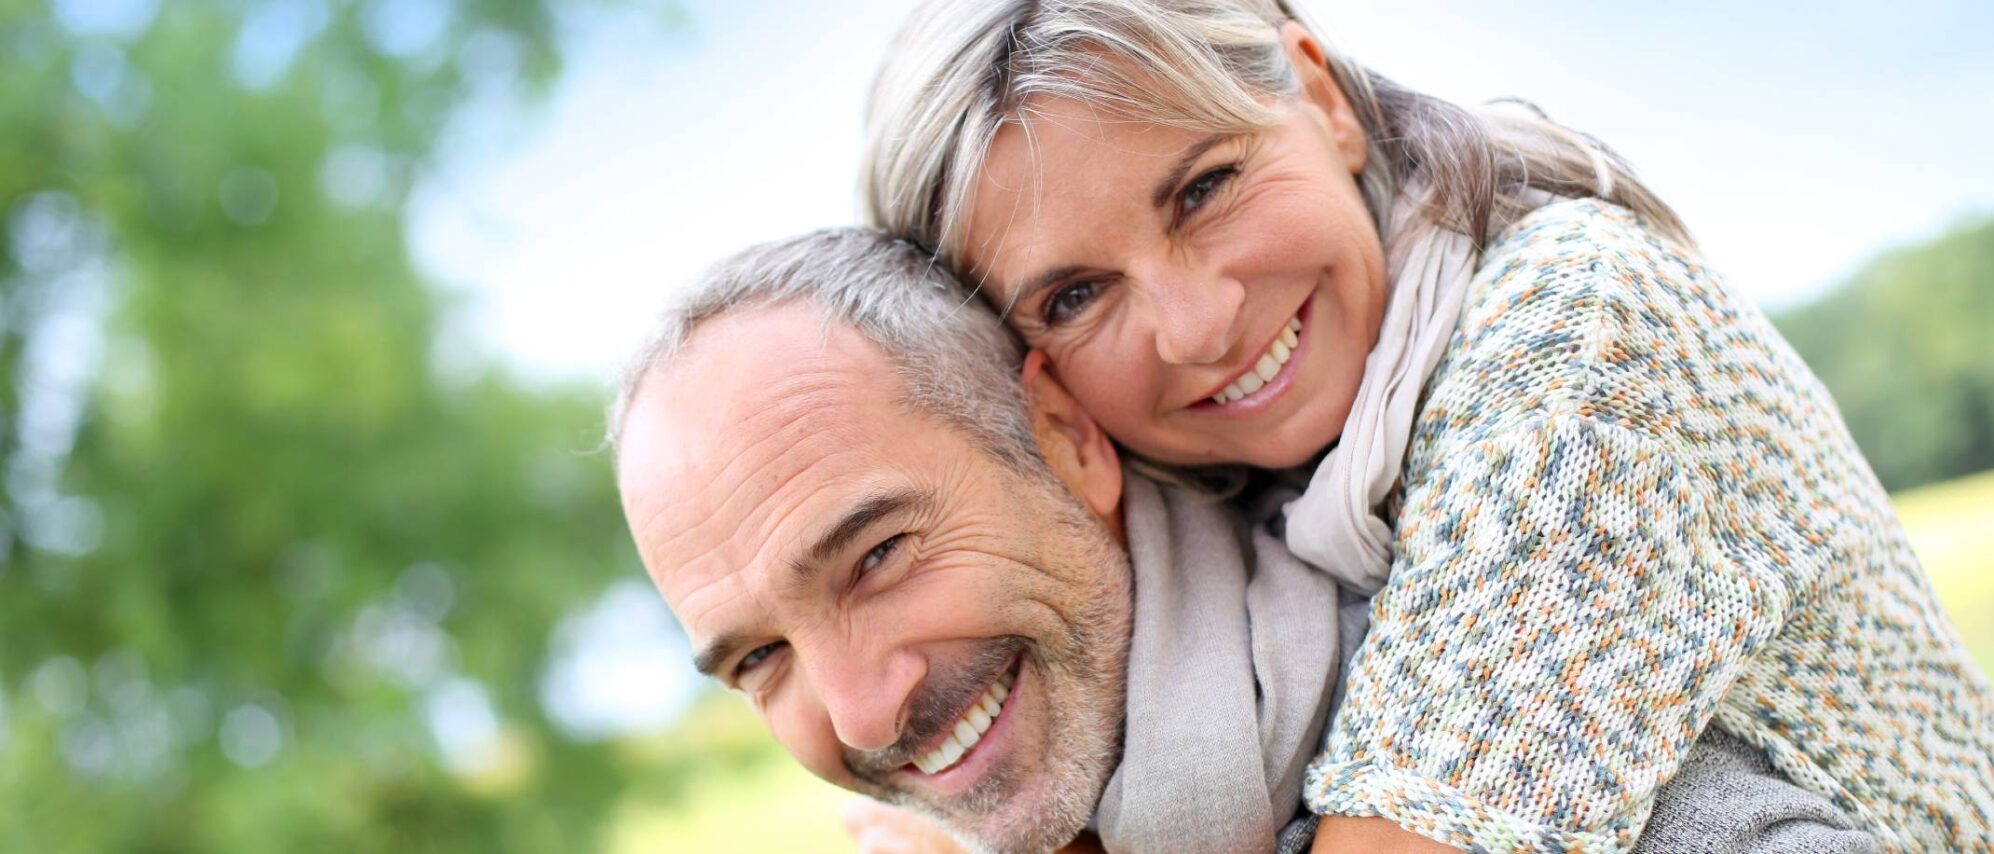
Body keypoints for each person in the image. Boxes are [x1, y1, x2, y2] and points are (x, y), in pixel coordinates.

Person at [858, 0, 1994, 850]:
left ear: (1320, 98)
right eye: (1075, 296)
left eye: (1205, 188)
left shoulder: (1579, 337)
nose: (1198, 323)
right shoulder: (1228, 507)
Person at [610, 228, 1881, 853]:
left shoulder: (1504, 744)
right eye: (758, 657)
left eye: (878, 554)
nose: (860, 707)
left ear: (1062, 433)